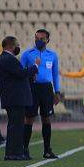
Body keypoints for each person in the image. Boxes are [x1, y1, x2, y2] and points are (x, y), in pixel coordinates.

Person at [20, 29, 61, 159]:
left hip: (47, 89)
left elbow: (55, 75)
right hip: (32, 88)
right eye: (36, 38)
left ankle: (47, 150)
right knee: (29, 118)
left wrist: (57, 91)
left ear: (47, 40)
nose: (38, 40)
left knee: (46, 118)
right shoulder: (27, 54)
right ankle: (24, 150)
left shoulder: (52, 55)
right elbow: (21, 73)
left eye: (42, 38)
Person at [0, 36, 38, 160]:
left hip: (12, 97)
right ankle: (14, 153)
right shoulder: (8, 59)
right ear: (11, 46)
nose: (18, 48)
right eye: (17, 45)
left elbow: (17, 75)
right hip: (15, 98)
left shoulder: (5, 58)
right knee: (16, 127)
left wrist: (29, 75)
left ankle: (12, 153)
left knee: (14, 126)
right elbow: (21, 73)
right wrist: (35, 67)